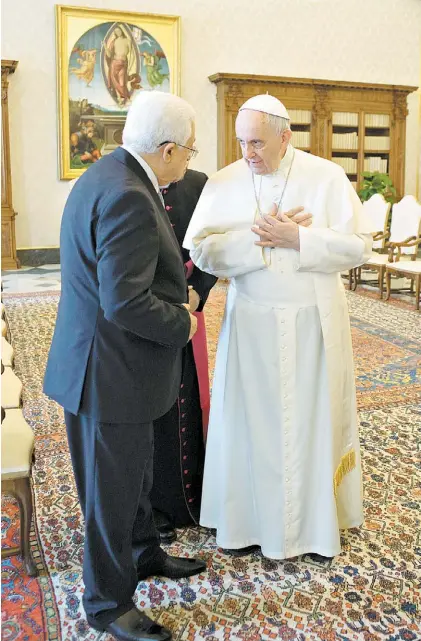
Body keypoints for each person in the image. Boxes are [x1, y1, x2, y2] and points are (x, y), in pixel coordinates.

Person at [44, 91, 207, 641]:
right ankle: (108, 604)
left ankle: (142, 551)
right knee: (109, 496)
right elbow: (126, 301)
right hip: (109, 374)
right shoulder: (131, 196)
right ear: (165, 150)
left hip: (111, 366)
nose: (188, 160)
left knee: (133, 476)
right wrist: (183, 320)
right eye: (187, 150)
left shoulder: (106, 173)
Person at [183, 94, 373, 561]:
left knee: (310, 421)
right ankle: (246, 523)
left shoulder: (325, 176)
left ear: (285, 137)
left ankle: (312, 530)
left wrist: (299, 238)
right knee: (253, 421)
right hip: (251, 324)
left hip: (314, 322)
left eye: (258, 143)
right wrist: (260, 238)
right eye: (243, 142)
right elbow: (202, 250)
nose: (250, 154)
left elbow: (359, 247)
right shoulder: (227, 181)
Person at [150, 170, 217, 544]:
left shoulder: (198, 183)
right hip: (148, 312)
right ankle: (157, 504)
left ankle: (193, 495)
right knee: (156, 405)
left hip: (189, 308)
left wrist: (196, 293)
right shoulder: (134, 183)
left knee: (188, 397)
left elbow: (211, 246)